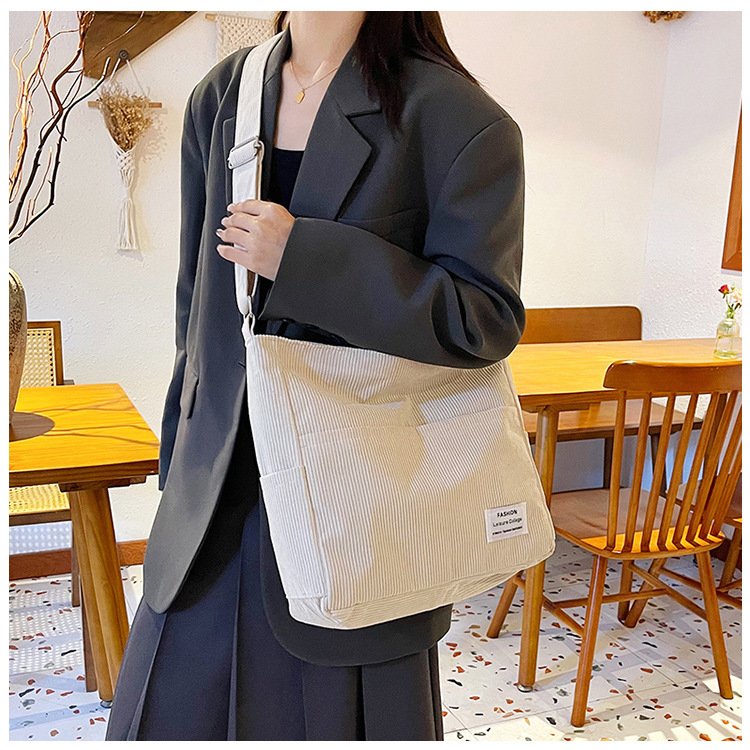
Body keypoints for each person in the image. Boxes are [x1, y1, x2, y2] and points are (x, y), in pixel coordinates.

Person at [105, 10, 525, 741]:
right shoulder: (223, 96)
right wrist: (180, 460)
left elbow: (482, 319)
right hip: (212, 506)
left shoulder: (458, 118)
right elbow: (195, 302)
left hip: (360, 514)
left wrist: (304, 259)